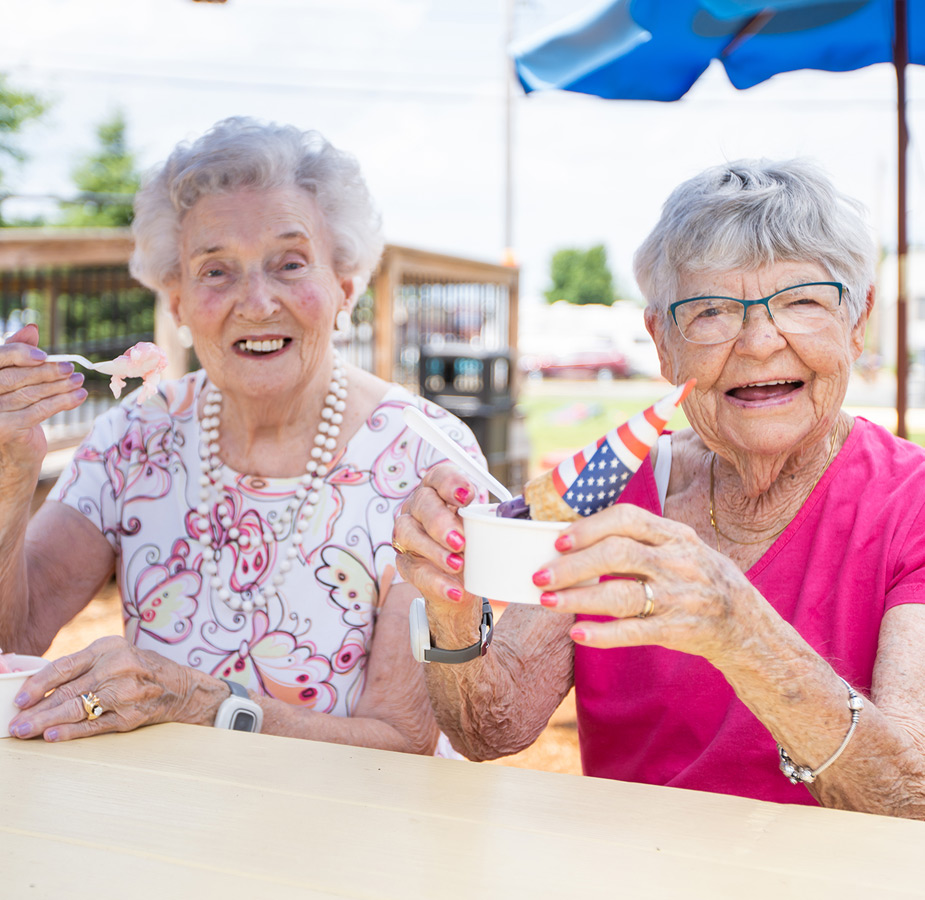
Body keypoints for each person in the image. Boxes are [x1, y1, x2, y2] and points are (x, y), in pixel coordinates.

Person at [394, 158, 925, 817]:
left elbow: (910, 799)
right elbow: (489, 729)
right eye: (710, 312)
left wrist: (741, 631)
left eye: (802, 302)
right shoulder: (615, 487)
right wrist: (450, 604)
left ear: (857, 321)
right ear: (661, 342)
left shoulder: (911, 504)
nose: (759, 342)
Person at [1, 117, 483, 752]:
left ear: (344, 286)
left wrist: (200, 703)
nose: (256, 303)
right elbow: (15, 637)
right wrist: (10, 482)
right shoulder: (134, 438)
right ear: (175, 300)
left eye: (288, 263)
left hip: (350, 833)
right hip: (167, 821)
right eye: (215, 271)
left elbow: (403, 741)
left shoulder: (426, 456)